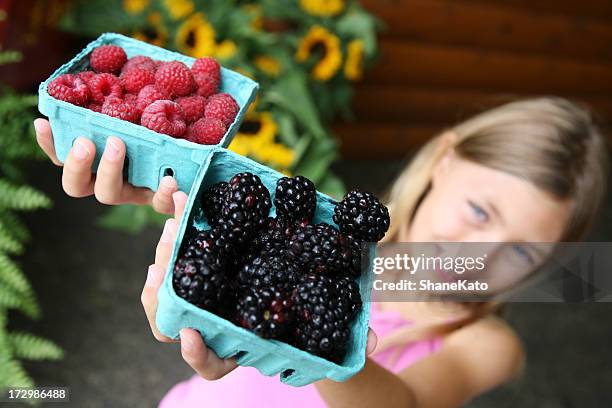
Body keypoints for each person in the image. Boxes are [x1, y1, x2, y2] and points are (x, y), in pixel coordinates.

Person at [34, 97, 609, 407]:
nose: (480, 255)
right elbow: (238, 242)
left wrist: (305, 338)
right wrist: (169, 197)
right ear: (444, 159)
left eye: (523, 253)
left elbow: (402, 406)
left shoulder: (486, 344)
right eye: (480, 213)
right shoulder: (338, 237)